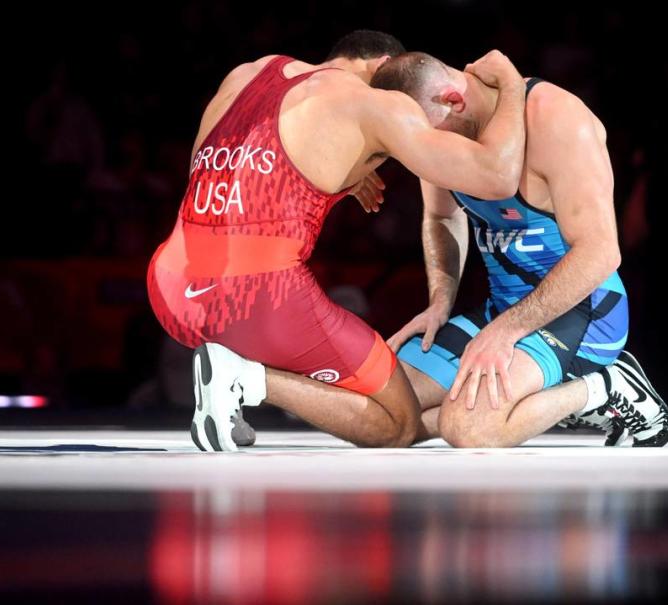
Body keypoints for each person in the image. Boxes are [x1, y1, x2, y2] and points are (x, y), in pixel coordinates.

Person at [146, 32, 528, 451]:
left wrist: (343, 172)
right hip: (255, 297)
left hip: (171, 287)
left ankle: (228, 379)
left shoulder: (251, 72)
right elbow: (497, 177)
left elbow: (220, 184)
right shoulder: (373, 103)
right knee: (397, 423)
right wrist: (512, 86)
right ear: (383, 64)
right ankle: (244, 378)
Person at [372, 53, 668, 447]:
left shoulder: (555, 119)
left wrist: (507, 330)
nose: (424, 152)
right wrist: (440, 300)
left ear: (453, 100)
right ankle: (517, 399)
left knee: (470, 429)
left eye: (427, 136)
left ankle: (607, 386)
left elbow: (601, 252)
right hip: (503, 311)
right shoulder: (438, 130)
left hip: (582, 313)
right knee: (384, 411)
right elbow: (442, 218)